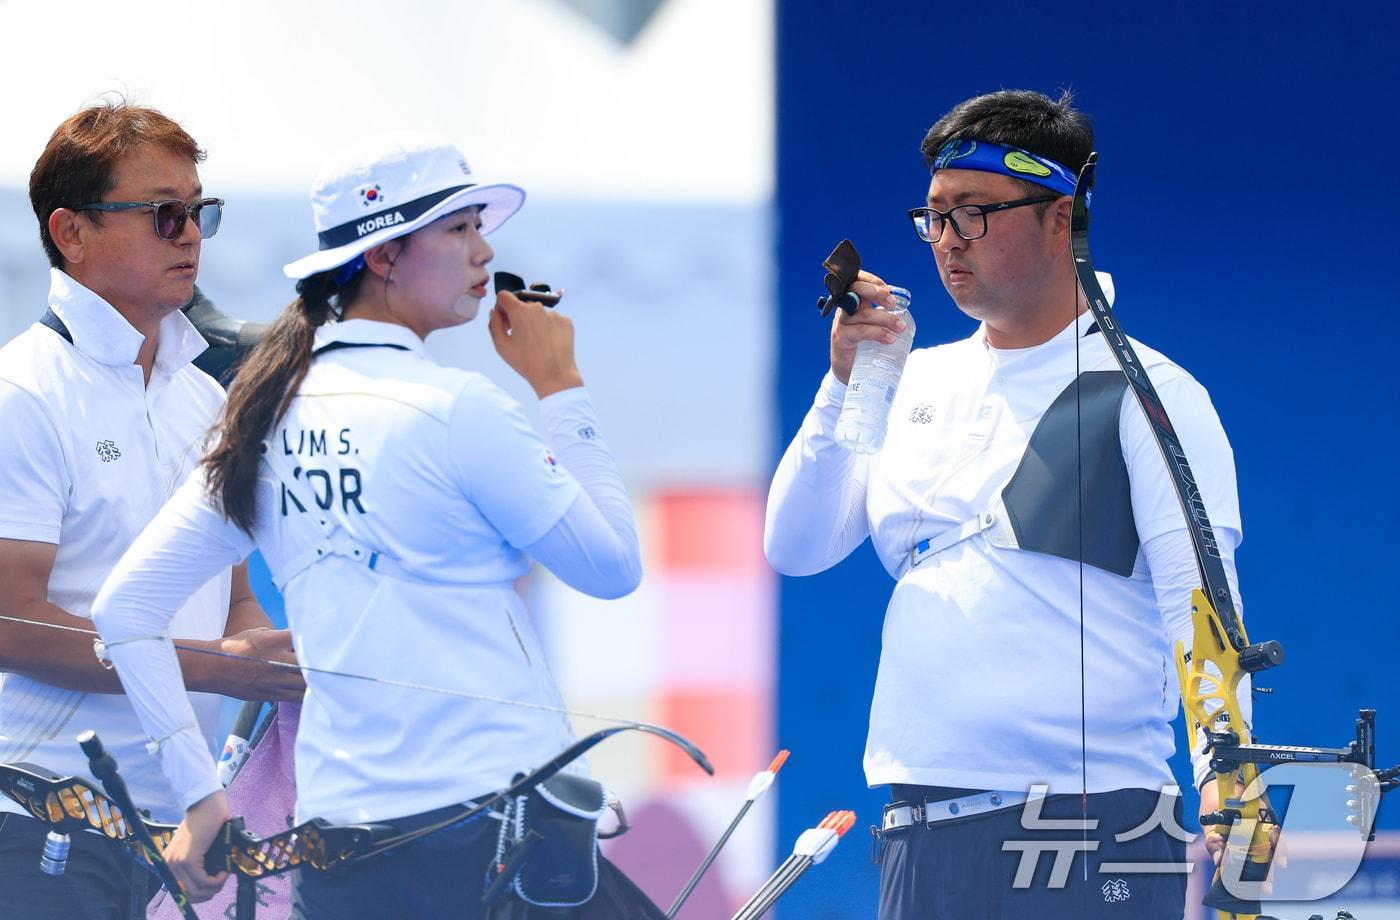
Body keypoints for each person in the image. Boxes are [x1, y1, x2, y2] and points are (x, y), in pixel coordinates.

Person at [90, 131, 657, 919]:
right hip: (490, 837)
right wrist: (560, 386)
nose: (484, 250)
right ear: (384, 255)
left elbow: (125, 611)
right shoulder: (456, 408)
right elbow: (614, 567)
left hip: (340, 853)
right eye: (457, 229)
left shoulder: (265, 416)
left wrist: (200, 795)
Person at [764, 89, 1251, 919]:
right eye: (934, 217)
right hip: (920, 827)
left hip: (1091, 825)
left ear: (1060, 219)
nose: (948, 240)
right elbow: (796, 547)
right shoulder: (913, 375)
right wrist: (845, 384)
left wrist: (1229, 775)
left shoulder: (1147, 391)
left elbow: (1199, 600)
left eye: (974, 213)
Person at [0, 99, 302, 918]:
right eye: (164, 213)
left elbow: (232, 599)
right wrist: (218, 666)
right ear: (71, 232)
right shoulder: (21, 392)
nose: (191, 234)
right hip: (38, 830)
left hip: (180, 838)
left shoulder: (206, 399)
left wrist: (286, 659)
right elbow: (10, 623)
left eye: (201, 211)